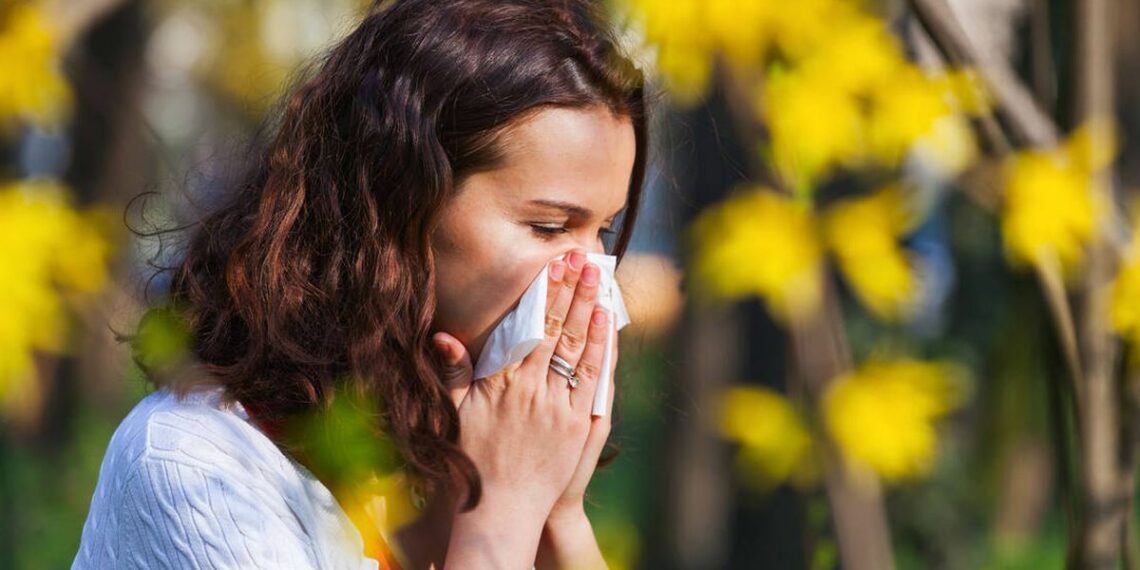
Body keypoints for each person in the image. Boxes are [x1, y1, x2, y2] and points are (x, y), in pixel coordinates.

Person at [71, 0, 650, 568]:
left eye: (604, 231)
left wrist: (559, 515)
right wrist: (504, 507)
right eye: (549, 227)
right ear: (399, 206)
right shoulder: (199, 465)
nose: (592, 277)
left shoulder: (437, 448)